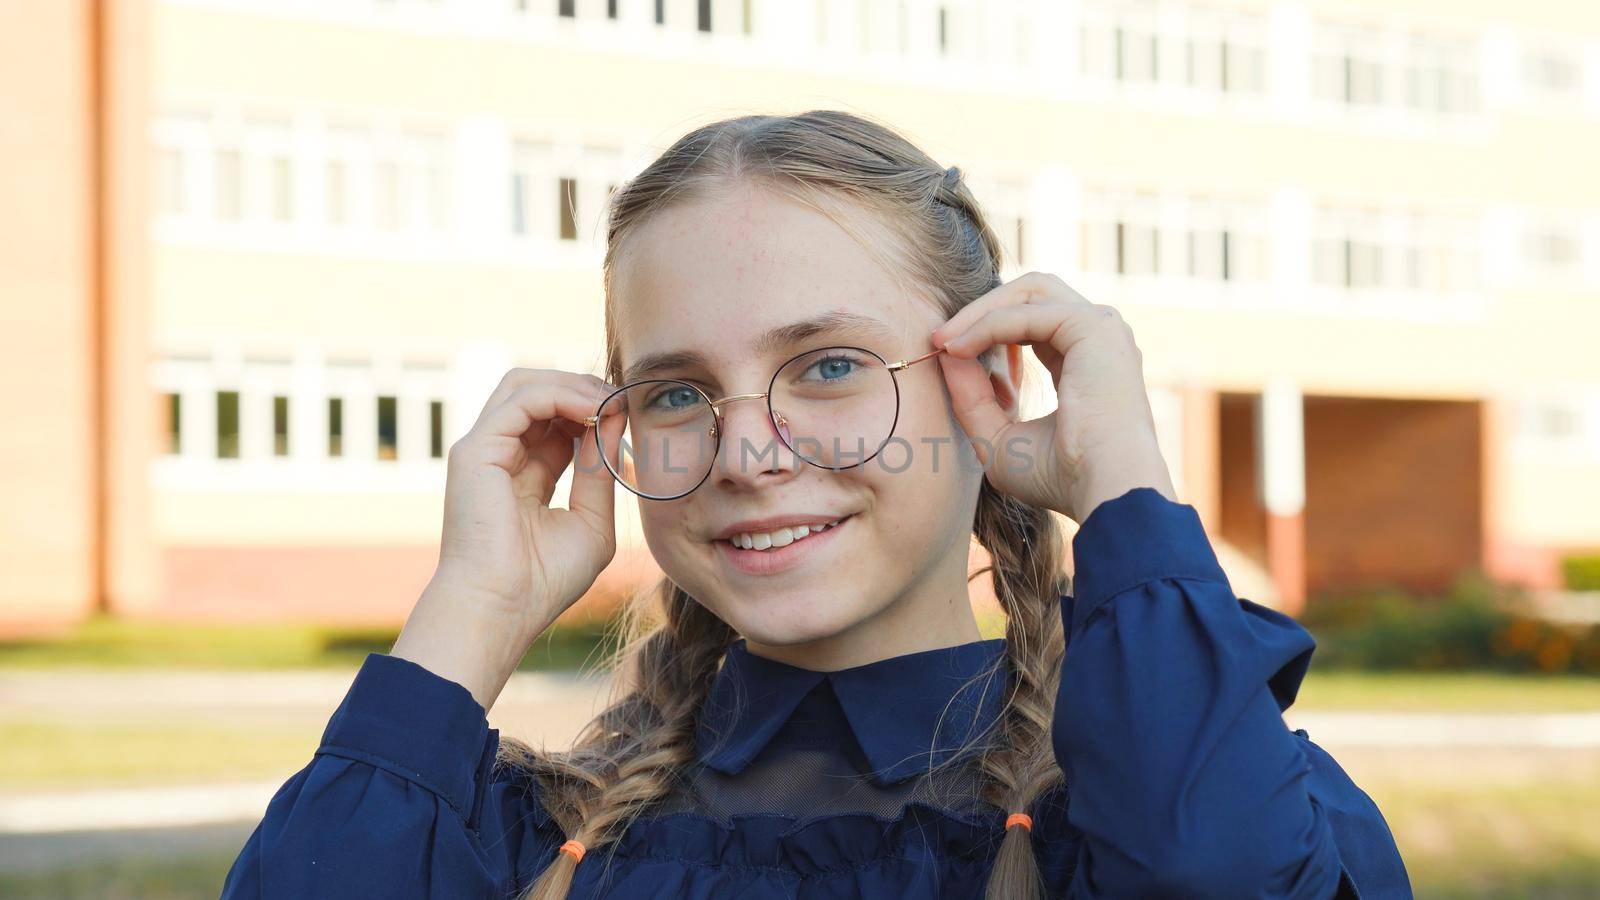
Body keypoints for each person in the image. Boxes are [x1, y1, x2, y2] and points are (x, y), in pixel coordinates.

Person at [220, 109, 1411, 899]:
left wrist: (1121, 485)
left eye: (830, 365)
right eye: (679, 389)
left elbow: (1220, 871)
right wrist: (474, 605)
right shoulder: (535, 846)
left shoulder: (1138, 808)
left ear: (988, 384)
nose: (745, 449)